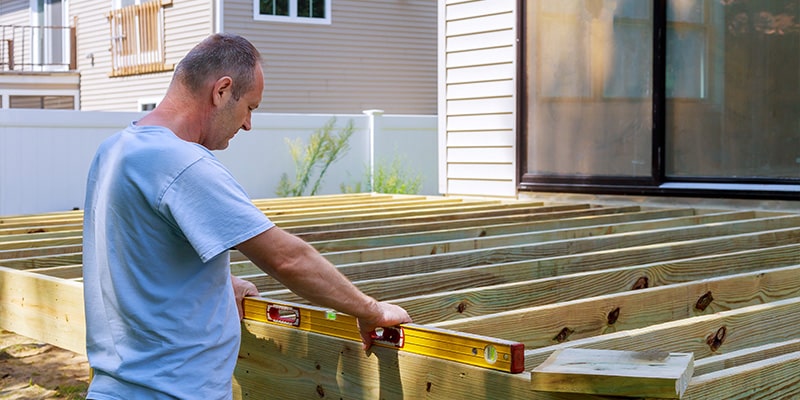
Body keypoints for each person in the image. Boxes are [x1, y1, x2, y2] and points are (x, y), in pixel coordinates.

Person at [82, 33, 412, 400]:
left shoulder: (116, 150)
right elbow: (287, 259)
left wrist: (218, 283)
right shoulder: (181, 163)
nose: (249, 124)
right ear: (222, 91)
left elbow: (139, 251)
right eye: (250, 107)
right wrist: (370, 309)